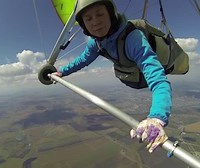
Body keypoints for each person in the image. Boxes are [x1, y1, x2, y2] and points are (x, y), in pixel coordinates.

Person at [52, 0, 170, 153]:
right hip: (130, 74)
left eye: (100, 14)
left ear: (111, 15)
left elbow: (158, 79)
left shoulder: (133, 38)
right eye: (88, 19)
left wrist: (157, 117)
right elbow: (82, 60)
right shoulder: (96, 43)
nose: (95, 22)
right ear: (84, 25)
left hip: (144, 71)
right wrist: (62, 72)